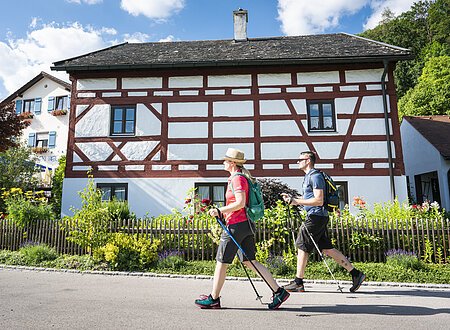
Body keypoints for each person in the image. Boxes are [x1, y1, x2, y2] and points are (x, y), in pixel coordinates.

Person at [195, 148, 290, 310]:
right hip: (244, 225)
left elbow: (240, 203)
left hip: (236, 225)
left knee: (221, 262)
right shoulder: (239, 178)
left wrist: (219, 211)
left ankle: (214, 298)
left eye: (225, 160)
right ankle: (279, 291)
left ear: (232, 163)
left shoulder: (237, 179)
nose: (223, 163)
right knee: (249, 261)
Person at [281, 151, 366, 293]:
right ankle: (356, 274)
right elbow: (309, 197)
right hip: (318, 216)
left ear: (308, 160)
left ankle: (298, 282)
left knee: (302, 245)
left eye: (300, 159)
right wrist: (294, 199)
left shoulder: (314, 176)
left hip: (316, 217)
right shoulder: (310, 176)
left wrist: (296, 201)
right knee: (327, 248)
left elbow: (318, 200)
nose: (297, 162)